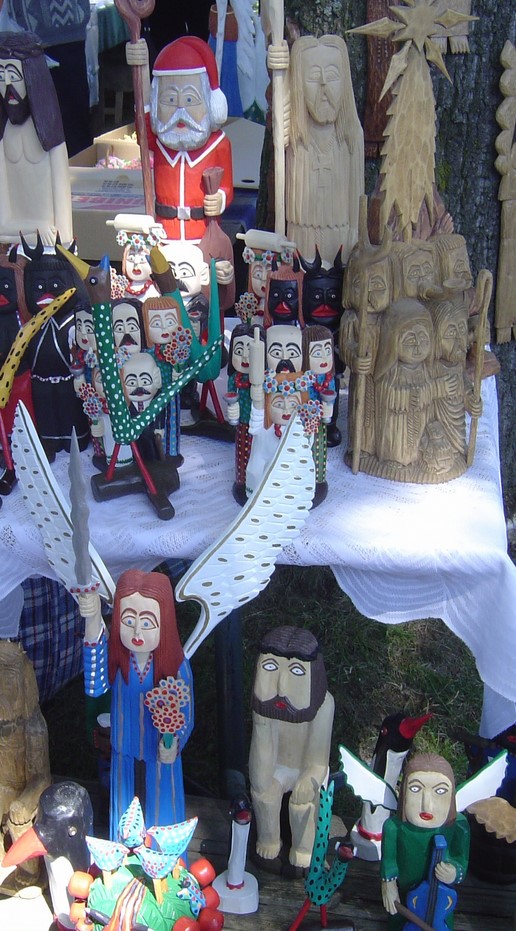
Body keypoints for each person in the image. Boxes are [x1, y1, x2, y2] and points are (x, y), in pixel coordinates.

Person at [79, 570, 194, 841]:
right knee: (124, 819)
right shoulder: (117, 662)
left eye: (147, 622)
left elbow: (186, 715)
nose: (137, 632)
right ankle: (122, 862)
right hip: (124, 755)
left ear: (165, 622)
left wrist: (175, 741)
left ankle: (165, 864)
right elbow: (95, 685)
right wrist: (93, 620)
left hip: (160, 759)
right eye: (129, 621)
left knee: (162, 820)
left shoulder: (176, 667)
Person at [126, 34, 233, 245]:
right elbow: (143, 117)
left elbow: (227, 187)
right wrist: (141, 66)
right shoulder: (159, 141)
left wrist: (220, 198)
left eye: (190, 99)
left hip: (203, 235)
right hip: (165, 234)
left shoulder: (219, 144)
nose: (180, 110)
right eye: (170, 100)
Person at [269, 34, 363, 265]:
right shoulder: (293, 132)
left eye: (332, 75)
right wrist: (280, 70)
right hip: (300, 237)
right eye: (313, 77)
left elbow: (357, 197)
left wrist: (354, 236)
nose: (323, 86)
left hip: (340, 240)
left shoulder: (351, 136)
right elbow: (280, 118)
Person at [249, 626, 334, 874]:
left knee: (303, 801)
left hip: (307, 767)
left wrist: (309, 779)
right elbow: (262, 758)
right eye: (270, 667)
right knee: (264, 791)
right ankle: (268, 840)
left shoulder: (324, 705)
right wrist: (262, 724)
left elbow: (318, 760)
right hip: (277, 766)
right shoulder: (264, 706)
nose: (281, 687)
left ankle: (304, 848)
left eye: (296, 671)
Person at [0, 31, 73, 246]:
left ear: (32, 76)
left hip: (51, 251)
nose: (7, 85)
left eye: (14, 76)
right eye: (1, 77)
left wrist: (40, 234)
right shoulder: (4, 136)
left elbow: (63, 234)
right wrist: (38, 229)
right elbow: (1, 227)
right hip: (17, 246)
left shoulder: (51, 136)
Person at [381, 752, 469, 930]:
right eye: (415, 789)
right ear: (404, 792)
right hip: (403, 896)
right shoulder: (394, 827)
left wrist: (454, 872)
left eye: (440, 791)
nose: (426, 805)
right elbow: (389, 861)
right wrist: (388, 884)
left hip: (440, 901)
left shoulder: (459, 826)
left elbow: (461, 861)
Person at [6, 0, 91, 157]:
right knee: (31, 126)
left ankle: (80, 166)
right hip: (21, 33)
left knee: (72, 124)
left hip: (64, 29)